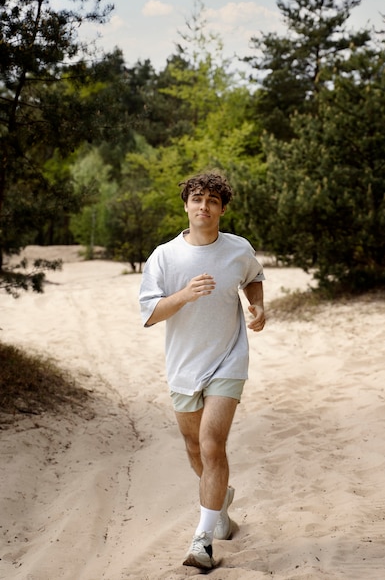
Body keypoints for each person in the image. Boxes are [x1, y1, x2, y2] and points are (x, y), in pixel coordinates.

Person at [139, 171, 265, 570]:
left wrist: (258, 308)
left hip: (228, 359)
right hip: (183, 365)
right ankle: (220, 505)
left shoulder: (238, 249)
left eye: (212, 200)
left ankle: (203, 541)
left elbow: (254, 276)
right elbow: (150, 313)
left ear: (222, 209)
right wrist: (184, 294)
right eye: (197, 199)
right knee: (195, 450)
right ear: (186, 205)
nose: (204, 206)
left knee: (212, 443)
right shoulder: (164, 256)